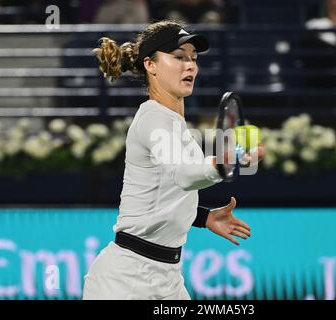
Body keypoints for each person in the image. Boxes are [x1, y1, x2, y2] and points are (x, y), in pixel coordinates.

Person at [83, 20, 263, 300]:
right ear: (150, 65)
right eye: (179, 58)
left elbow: (163, 193)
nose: (190, 65)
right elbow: (184, 175)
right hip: (126, 282)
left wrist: (203, 216)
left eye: (193, 59)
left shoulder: (174, 123)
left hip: (167, 278)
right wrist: (221, 163)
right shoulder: (154, 118)